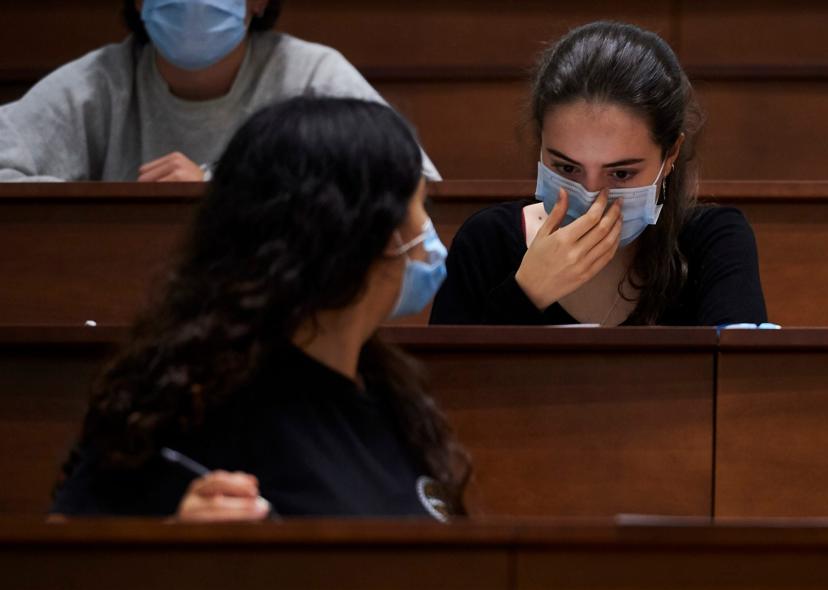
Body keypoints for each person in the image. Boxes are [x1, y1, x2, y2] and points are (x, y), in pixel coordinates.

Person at [51, 97, 468, 521]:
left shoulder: (392, 395)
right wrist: (169, 547)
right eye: (417, 208)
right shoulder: (188, 405)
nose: (428, 236)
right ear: (353, 233)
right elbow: (65, 562)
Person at [429, 22, 766, 327]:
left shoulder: (713, 242)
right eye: (566, 168)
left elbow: (739, 384)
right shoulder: (486, 243)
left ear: (670, 155)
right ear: (541, 145)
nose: (591, 198)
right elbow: (450, 388)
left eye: (620, 173)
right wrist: (525, 293)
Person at [0, 0, 440, 182]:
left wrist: (221, 190)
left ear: (260, 2)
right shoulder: (100, 80)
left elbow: (411, 180)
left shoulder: (310, 74)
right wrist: (118, 208)